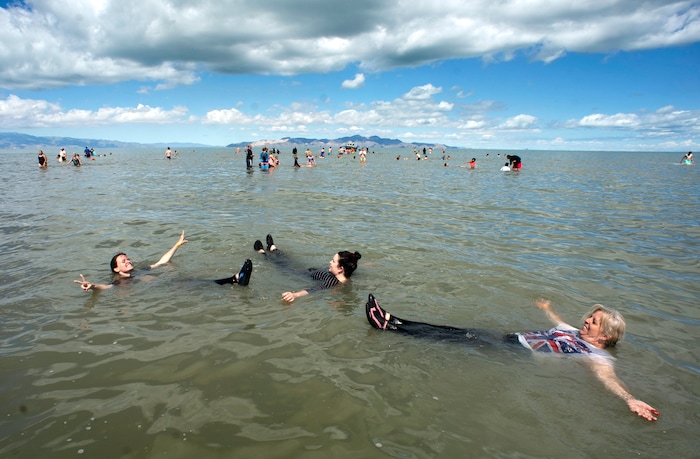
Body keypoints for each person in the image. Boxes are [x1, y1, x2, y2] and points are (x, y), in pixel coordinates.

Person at [365, 294, 660, 422]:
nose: (586, 322)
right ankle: (394, 321)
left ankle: (390, 328)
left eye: (593, 322)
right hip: (510, 338)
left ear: (605, 336)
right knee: (454, 332)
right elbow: (558, 320)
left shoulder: (598, 356)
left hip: (515, 351)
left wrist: (629, 399)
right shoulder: (573, 331)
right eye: (590, 317)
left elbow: (607, 380)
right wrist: (547, 307)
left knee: (454, 338)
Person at [74, 231, 252, 291]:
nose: (128, 261)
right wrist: (92, 286)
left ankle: (236, 280)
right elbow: (107, 288)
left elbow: (162, 261)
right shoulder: (120, 281)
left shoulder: (139, 271)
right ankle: (235, 279)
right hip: (168, 289)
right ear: (116, 269)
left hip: (169, 285)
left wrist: (178, 244)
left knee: (196, 282)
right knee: (196, 283)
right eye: (123, 261)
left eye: (127, 258)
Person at [253, 234, 361, 303]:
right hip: (309, 270)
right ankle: (273, 249)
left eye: (333, 261)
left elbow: (314, 289)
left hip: (301, 274)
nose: (330, 262)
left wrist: (295, 295)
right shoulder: (348, 275)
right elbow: (353, 266)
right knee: (289, 261)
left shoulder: (333, 282)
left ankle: (263, 253)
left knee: (282, 266)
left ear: (340, 269)